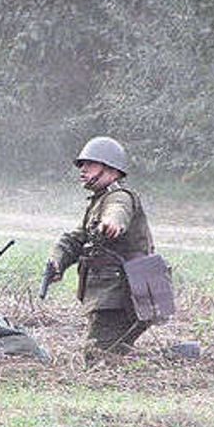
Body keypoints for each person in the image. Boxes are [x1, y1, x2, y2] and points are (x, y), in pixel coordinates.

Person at [45, 136, 155, 356]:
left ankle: (169, 359)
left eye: (90, 164)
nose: (83, 170)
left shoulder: (120, 197)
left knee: (97, 354)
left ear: (110, 168)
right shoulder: (98, 200)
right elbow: (75, 239)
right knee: (109, 349)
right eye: (82, 165)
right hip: (112, 294)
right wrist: (57, 260)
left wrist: (112, 224)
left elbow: (118, 212)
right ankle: (169, 358)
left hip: (125, 294)